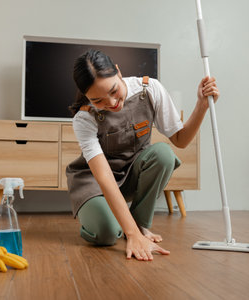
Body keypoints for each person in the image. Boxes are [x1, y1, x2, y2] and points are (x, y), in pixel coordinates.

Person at [66, 49, 219, 261]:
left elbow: (180, 140)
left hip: (130, 174)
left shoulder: (149, 89)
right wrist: (132, 236)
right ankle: (115, 226)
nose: (111, 103)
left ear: (118, 72)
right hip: (95, 184)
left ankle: (138, 224)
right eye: (98, 100)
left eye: (113, 90)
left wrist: (202, 105)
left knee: (163, 154)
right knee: (107, 234)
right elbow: (105, 179)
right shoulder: (84, 118)